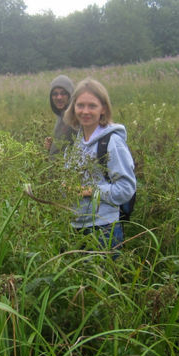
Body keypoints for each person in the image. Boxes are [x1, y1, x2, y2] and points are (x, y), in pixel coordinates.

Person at [62, 78, 136, 250]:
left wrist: (89, 191)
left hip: (104, 230)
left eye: (92, 106)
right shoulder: (73, 143)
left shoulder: (112, 142)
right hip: (75, 228)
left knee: (105, 277)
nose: (85, 111)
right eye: (80, 105)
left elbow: (126, 189)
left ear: (103, 108)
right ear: (73, 108)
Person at [45, 75, 76, 156]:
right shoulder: (61, 116)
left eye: (63, 93)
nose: (59, 97)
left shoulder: (76, 118)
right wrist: (52, 147)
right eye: (55, 94)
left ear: (70, 95)